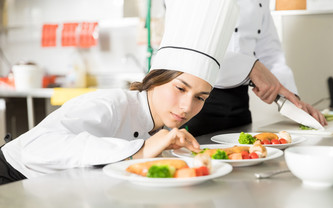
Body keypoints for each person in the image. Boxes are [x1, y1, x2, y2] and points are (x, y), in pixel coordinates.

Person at [0, 0, 239, 184]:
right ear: (155, 79)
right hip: (11, 179)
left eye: (200, 97)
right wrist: (140, 151)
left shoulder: (157, 126)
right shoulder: (111, 104)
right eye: (180, 88)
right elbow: (36, 148)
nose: (187, 106)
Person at [184, 0, 327, 137]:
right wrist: (251, 68)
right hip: (197, 100)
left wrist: (293, 100)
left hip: (239, 102)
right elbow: (191, 48)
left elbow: (269, 51)